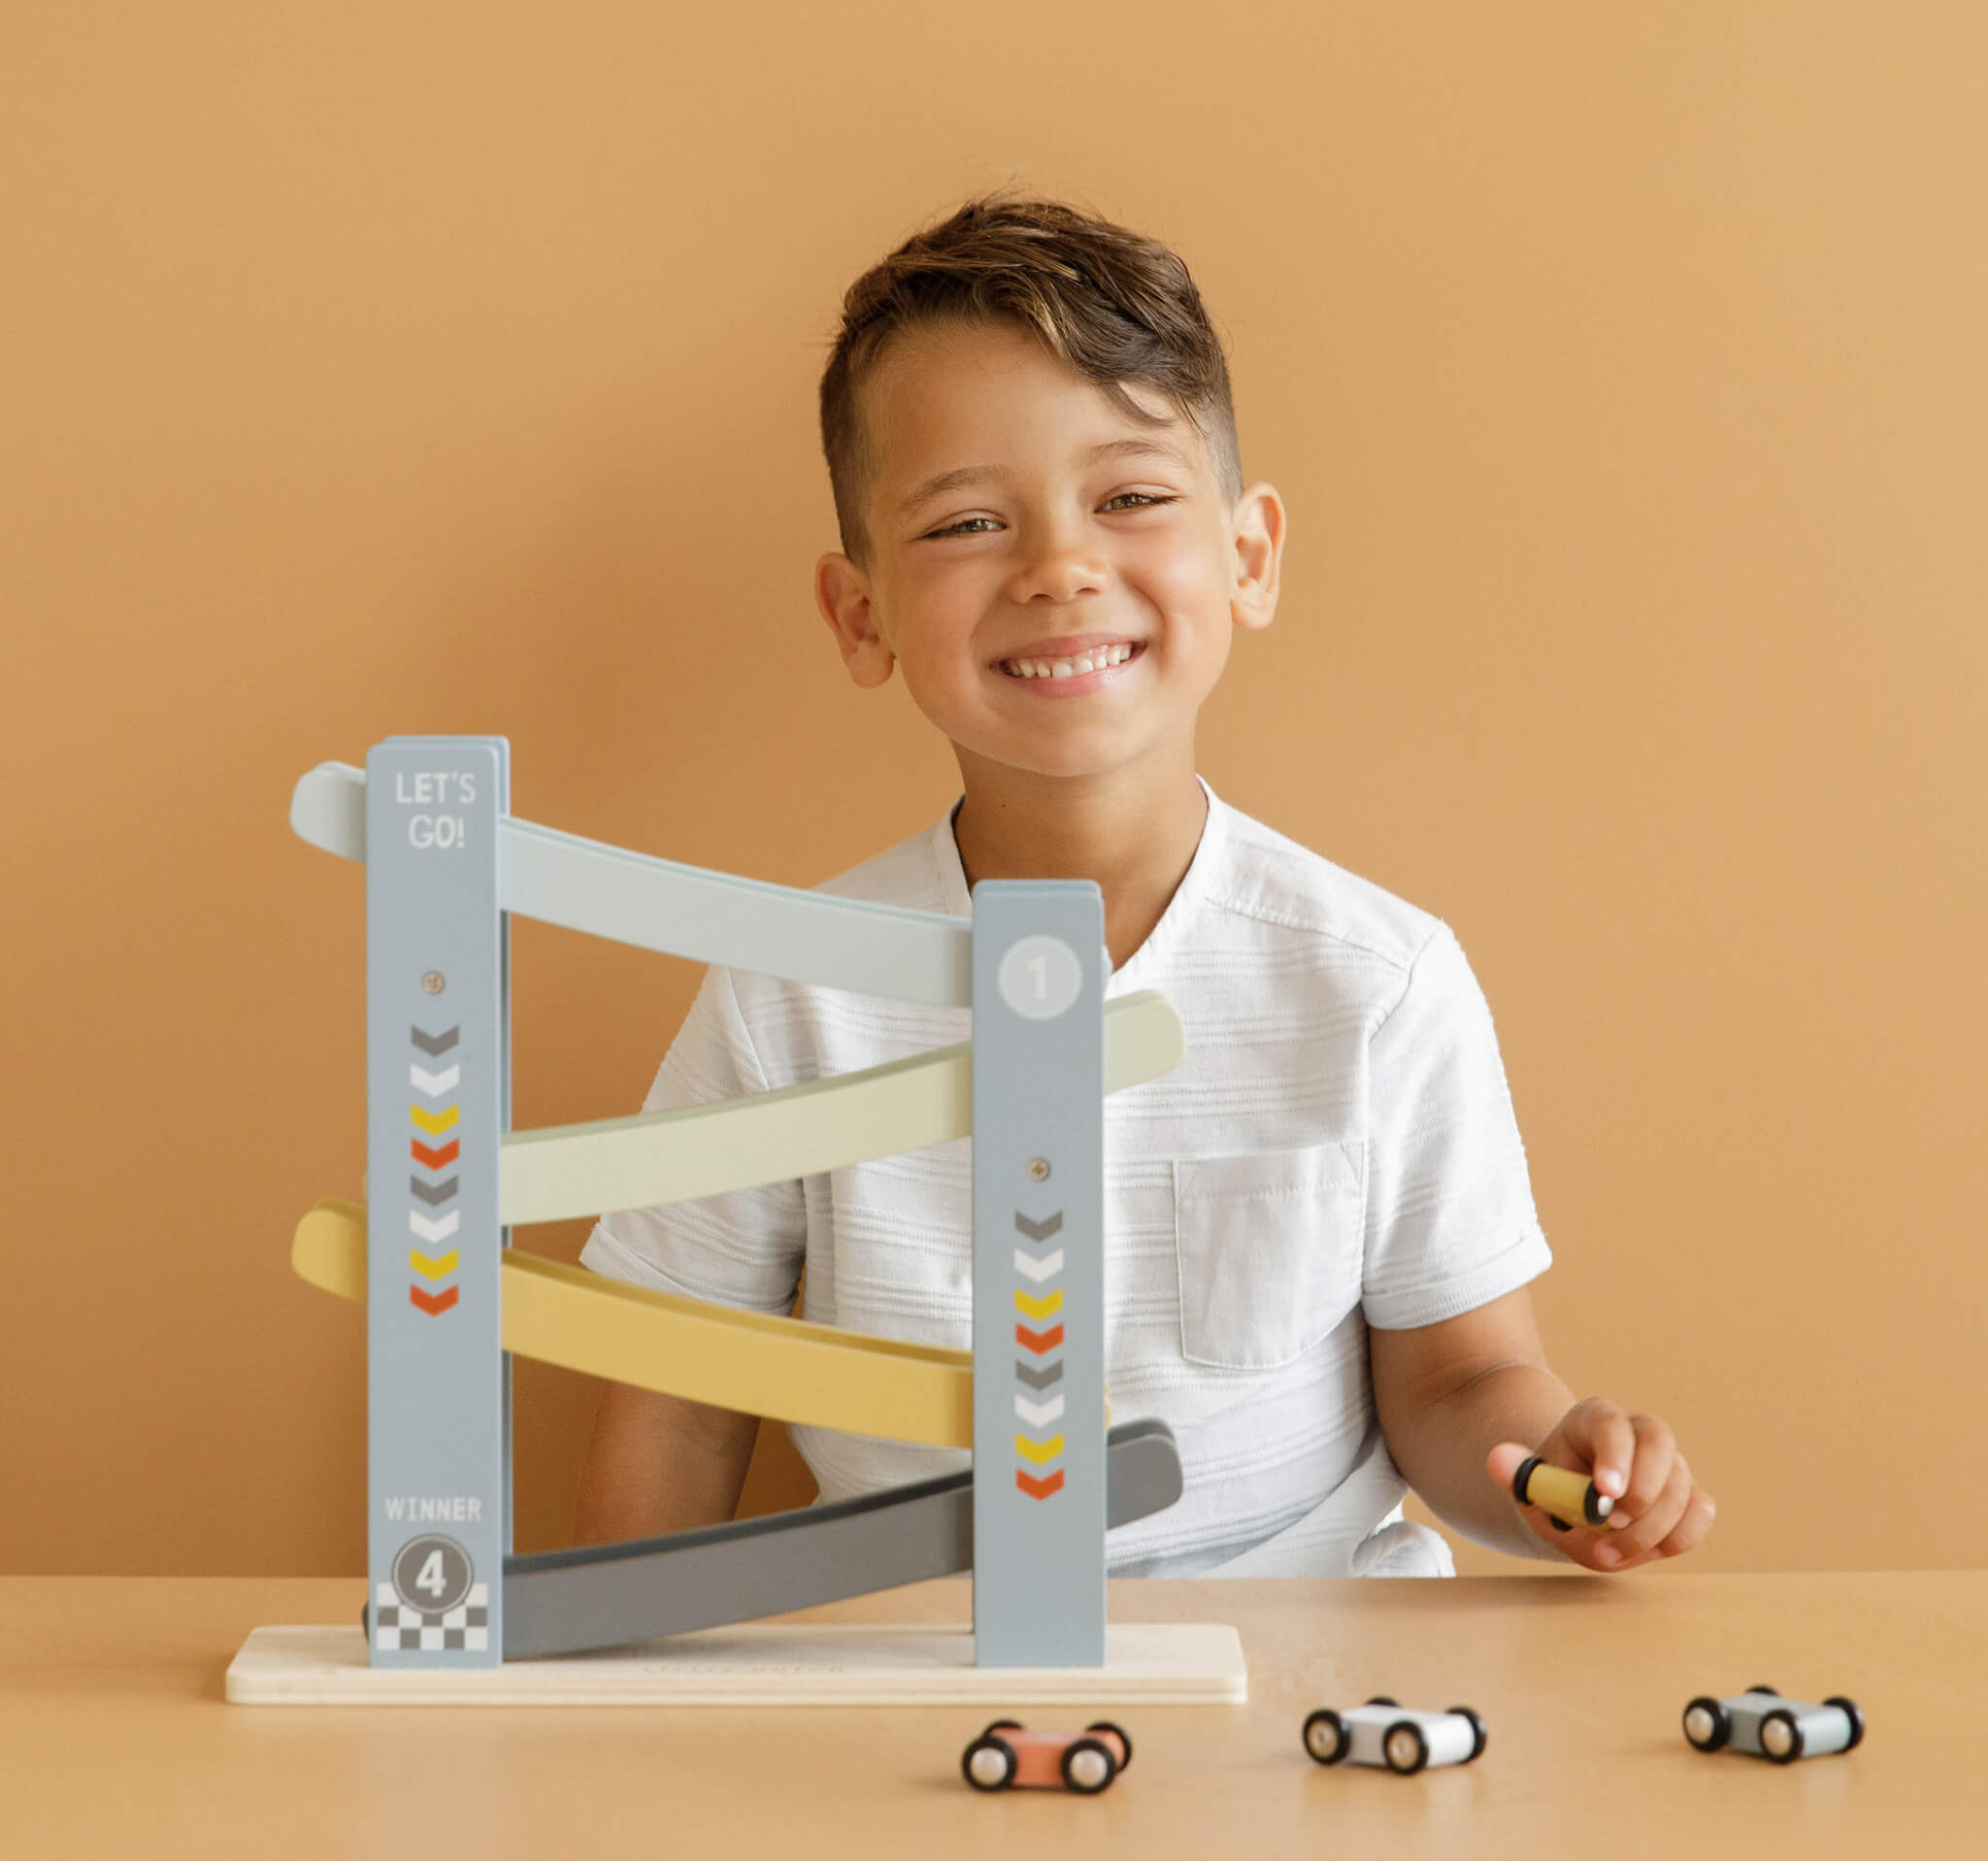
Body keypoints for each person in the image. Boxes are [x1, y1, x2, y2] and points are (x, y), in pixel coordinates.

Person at [572, 194, 1715, 1579]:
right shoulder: (791, 996)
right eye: (969, 522)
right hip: (917, 1680)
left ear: (1247, 556)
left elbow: (1461, 1386)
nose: (1060, 568)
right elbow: (680, 1407)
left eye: (1130, 498)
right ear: (860, 614)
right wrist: (613, 1678)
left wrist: (1555, 1471)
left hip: (1304, 1690)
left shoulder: (1378, 979)